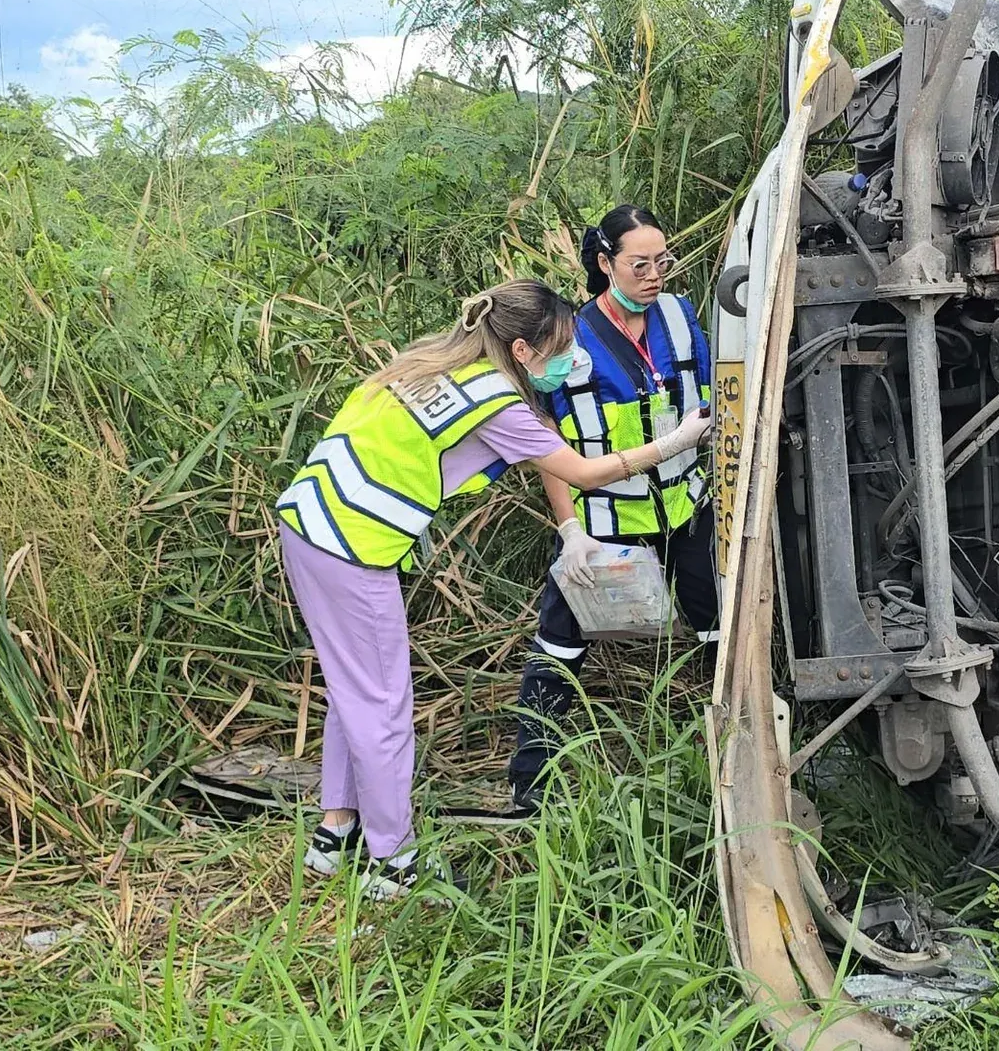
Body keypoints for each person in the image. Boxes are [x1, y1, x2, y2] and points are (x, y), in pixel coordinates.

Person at [275, 279, 711, 898]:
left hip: (308, 519)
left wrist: (570, 527)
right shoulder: (497, 400)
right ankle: (393, 864)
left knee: (354, 687)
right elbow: (583, 471)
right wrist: (674, 442)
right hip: (353, 546)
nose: (570, 359)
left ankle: (335, 833)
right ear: (525, 351)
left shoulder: (431, 365)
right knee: (384, 705)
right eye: (560, 347)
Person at [506, 205, 720, 811]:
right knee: (559, 647)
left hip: (685, 509)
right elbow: (553, 445)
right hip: (604, 520)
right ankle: (530, 792)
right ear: (605, 264)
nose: (656, 274)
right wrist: (570, 529)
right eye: (639, 263)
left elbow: (709, 398)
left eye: (663, 260)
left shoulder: (679, 315)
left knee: (717, 633)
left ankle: (737, 753)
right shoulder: (568, 337)